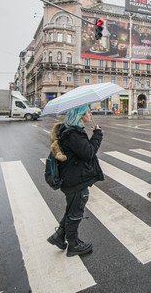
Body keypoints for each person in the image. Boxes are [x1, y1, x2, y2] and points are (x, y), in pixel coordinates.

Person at [47, 106, 104, 257]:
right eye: (86, 112)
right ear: (79, 115)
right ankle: (73, 245)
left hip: (71, 177)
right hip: (75, 179)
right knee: (76, 211)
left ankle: (59, 236)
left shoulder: (69, 130)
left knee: (72, 209)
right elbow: (89, 152)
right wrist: (97, 134)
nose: (89, 114)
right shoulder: (74, 134)